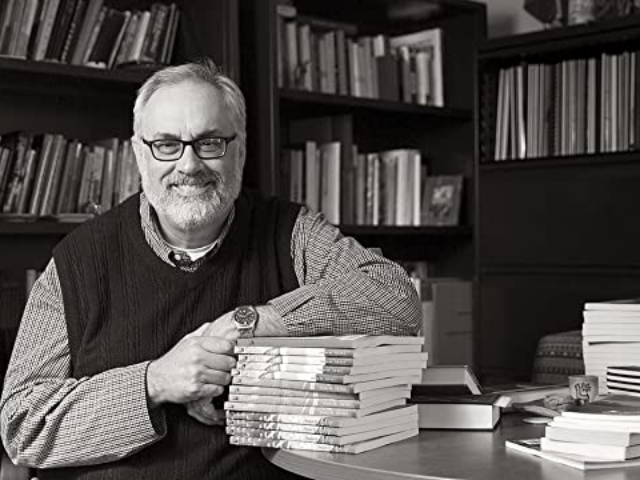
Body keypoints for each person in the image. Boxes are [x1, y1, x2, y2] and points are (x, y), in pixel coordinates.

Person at [0, 58, 421, 480]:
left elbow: (397, 299)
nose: (189, 165)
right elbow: (22, 425)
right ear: (137, 153)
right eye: (166, 144)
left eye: (210, 142)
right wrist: (157, 382)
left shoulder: (291, 233)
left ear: (239, 148)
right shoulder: (78, 261)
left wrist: (256, 323)